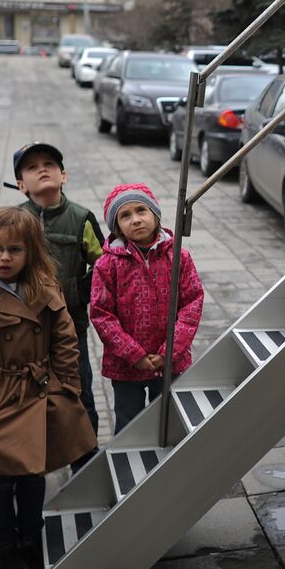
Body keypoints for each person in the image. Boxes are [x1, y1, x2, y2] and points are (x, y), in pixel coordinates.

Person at [0, 207, 95, 569]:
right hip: (0, 393)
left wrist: (68, 387)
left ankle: (32, 536)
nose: (4, 258)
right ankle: (5, 546)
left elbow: (66, 340)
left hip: (40, 390)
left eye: (14, 249)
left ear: (31, 251)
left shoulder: (46, 290)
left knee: (35, 473)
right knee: (1, 478)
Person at [13, 143, 103, 468]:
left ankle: (86, 462)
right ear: (21, 184)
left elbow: (105, 266)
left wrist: (82, 291)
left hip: (71, 328)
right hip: (24, 331)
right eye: (32, 167)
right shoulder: (15, 221)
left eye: (49, 163)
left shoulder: (81, 219)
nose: (42, 169)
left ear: (63, 175)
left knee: (79, 392)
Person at [90, 185, 204, 433]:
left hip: (171, 362)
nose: (136, 219)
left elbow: (192, 304)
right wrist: (135, 355)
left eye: (141, 210)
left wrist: (169, 351)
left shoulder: (178, 257)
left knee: (168, 420)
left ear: (155, 214)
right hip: (126, 366)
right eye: (126, 215)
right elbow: (101, 315)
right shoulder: (107, 264)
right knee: (128, 424)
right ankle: (129, 467)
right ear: (117, 226)